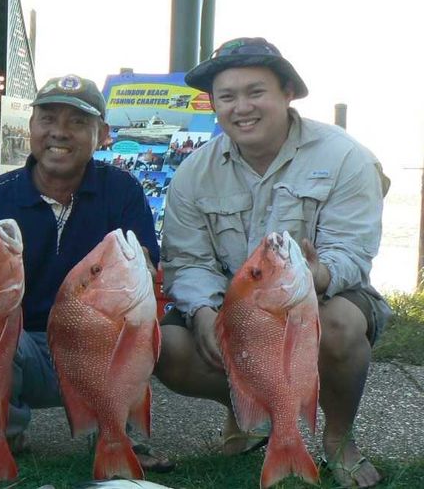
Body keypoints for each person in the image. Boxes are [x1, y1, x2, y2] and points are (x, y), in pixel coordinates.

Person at [155, 37, 391, 489]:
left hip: (319, 298)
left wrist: (316, 274)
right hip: (235, 306)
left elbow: (353, 253)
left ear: (288, 92)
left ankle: (338, 439)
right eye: (227, 96)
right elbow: (187, 260)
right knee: (168, 346)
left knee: (341, 326)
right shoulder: (192, 173)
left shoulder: (346, 157)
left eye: (255, 92)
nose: (241, 107)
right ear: (214, 105)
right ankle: (248, 410)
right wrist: (203, 313)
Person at [0, 74, 174, 472]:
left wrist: (142, 268)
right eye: (47, 119)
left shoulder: (124, 190)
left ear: (103, 134)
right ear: (31, 126)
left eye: (77, 122)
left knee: (134, 326)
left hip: (98, 342)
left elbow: (145, 260)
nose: (59, 132)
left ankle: (118, 432)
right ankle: (1, 431)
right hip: (24, 346)